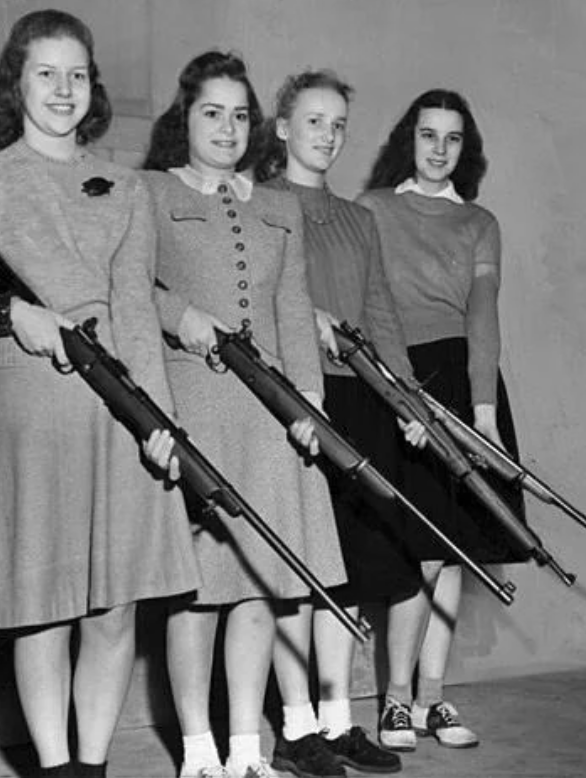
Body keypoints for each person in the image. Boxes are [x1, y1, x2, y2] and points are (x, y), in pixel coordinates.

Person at [0, 11, 200, 778]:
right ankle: (57, 768)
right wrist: (4, 312)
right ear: (15, 84)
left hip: (120, 412)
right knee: (46, 602)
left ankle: (91, 766)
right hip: (33, 417)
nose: (63, 90)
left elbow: (133, 308)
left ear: (93, 86)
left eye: (77, 74)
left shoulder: (126, 185)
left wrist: (162, 425)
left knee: (117, 604)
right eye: (45, 73)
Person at [141, 51, 348, 778]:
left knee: (266, 577)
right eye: (211, 112)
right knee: (198, 589)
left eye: (238, 115)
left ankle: (244, 750)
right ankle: (198, 752)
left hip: (270, 415)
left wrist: (311, 403)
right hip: (192, 402)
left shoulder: (277, 204)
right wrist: (179, 314)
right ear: (184, 118)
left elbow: (292, 307)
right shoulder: (150, 193)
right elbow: (126, 287)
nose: (227, 128)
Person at [254, 69, 425, 777]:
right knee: (299, 571)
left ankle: (334, 720)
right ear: (284, 127)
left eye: (338, 125)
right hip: (292, 398)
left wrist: (410, 403)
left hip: (357, 404)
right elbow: (251, 306)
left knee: (348, 574)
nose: (327, 136)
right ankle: (296, 730)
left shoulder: (358, 219)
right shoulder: (259, 203)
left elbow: (381, 313)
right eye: (314, 121)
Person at [357, 89, 527, 752]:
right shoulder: (373, 209)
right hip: (399, 377)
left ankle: (432, 698)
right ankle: (394, 701)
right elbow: (366, 308)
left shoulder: (480, 223)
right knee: (417, 549)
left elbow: (483, 317)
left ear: (465, 149)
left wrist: (484, 419)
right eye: (428, 135)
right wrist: (397, 394)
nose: (438, 149)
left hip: (463, 382)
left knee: (455, 551)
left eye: (452, 139)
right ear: (410, 138)